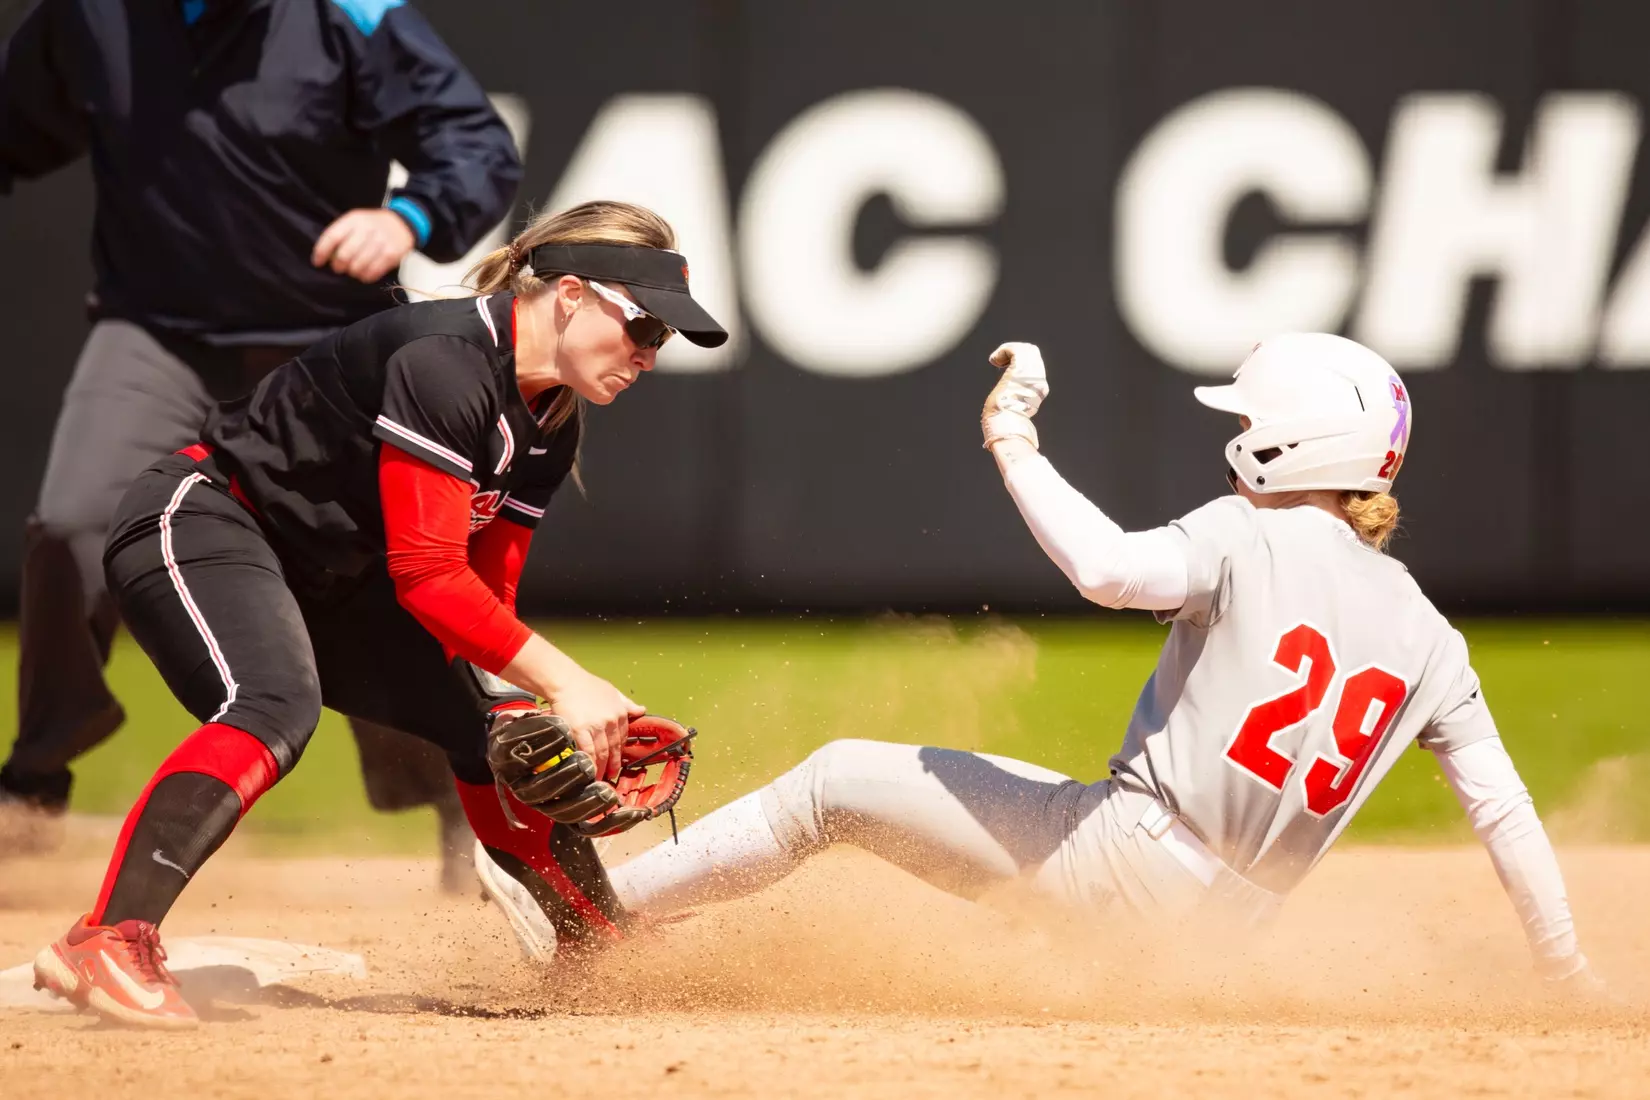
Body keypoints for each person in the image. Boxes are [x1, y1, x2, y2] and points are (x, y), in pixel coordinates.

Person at [572, 334, 1598, 989]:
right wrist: (1564, 969)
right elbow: (1502, 807)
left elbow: (1108, 569)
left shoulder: (1251, 532)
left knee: (833, 782)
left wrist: (1014, 437)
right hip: (1222, 945)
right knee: (1019, 934)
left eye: (1247, 419)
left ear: (1291, 443)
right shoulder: (1433, 634)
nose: (1236, 434)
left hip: (1123, 863)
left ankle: (592, 916)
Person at [29, 200, 729, 1029]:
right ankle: (107, 938)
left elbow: (482, 599)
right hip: (209, 518)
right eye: (646, 329)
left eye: (666, 341)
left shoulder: (551, 425)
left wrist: (528, 702)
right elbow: (429, 575)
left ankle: (594, 939)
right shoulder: (446, 359)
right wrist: (571, 683)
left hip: (334, 580)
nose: (652, 356)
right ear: (571, 294)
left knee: (495, 722)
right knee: (273, 705)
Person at [0, 0, 522, 885]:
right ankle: (34, 785)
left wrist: (411, 220)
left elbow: (474, 142)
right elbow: (18, 124)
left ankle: (463, 801)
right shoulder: (94, 15)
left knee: (388, 572)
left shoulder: (348, 13)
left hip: (326, 345)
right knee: (73, 526)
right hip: (160, 333)